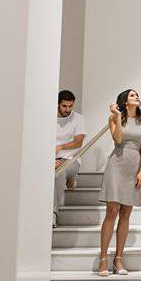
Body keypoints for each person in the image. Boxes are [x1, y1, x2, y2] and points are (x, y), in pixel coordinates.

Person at [96, 89, 141, 277]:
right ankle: (103, 257)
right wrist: (118, 116)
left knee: (126, 213)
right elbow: (118, 139)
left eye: (137, 95)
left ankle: (119, 258)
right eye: (133, 95)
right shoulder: (114, 119)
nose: (137, 97)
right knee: (112, 211)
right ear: (125, 101)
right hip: (117, 164)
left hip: (134, 165)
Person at [53, 90, 86, 226]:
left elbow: (78, 142)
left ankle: (53, 214)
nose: (68, 109)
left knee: (58, 174)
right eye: (64, 106)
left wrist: (60, 147)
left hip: (70, 159)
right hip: (50, 159)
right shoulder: (48, 118)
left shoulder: (78, 119)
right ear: (58, 104)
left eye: (70, 106)